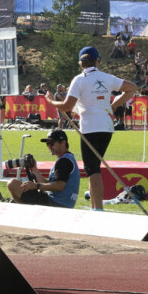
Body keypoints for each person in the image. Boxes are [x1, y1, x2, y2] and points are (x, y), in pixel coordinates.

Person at [49, 46, 136, 211]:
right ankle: (94, 207)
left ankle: (98, 209)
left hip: (90, 128)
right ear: (97, 61)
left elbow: (67, 105)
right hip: (106, 127)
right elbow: (132, 88)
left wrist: (52, 102)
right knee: (93, 167)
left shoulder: (79, 80)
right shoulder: (107, 77)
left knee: (93, 170)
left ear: (81, 63)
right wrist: (113, 105)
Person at [0, 129, 80, 208]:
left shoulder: (64, 161)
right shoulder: (67, 158)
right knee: (19, 187)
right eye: (47, 144)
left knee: (13, 184)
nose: (49, 147)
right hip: (59, 202)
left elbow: (59, 186)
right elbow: (51, 185)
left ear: (63, 142)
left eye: (51, 143)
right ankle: (17, 205)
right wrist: (35, 170)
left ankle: (17, 207)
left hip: (56, 203)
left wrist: (36, 186)